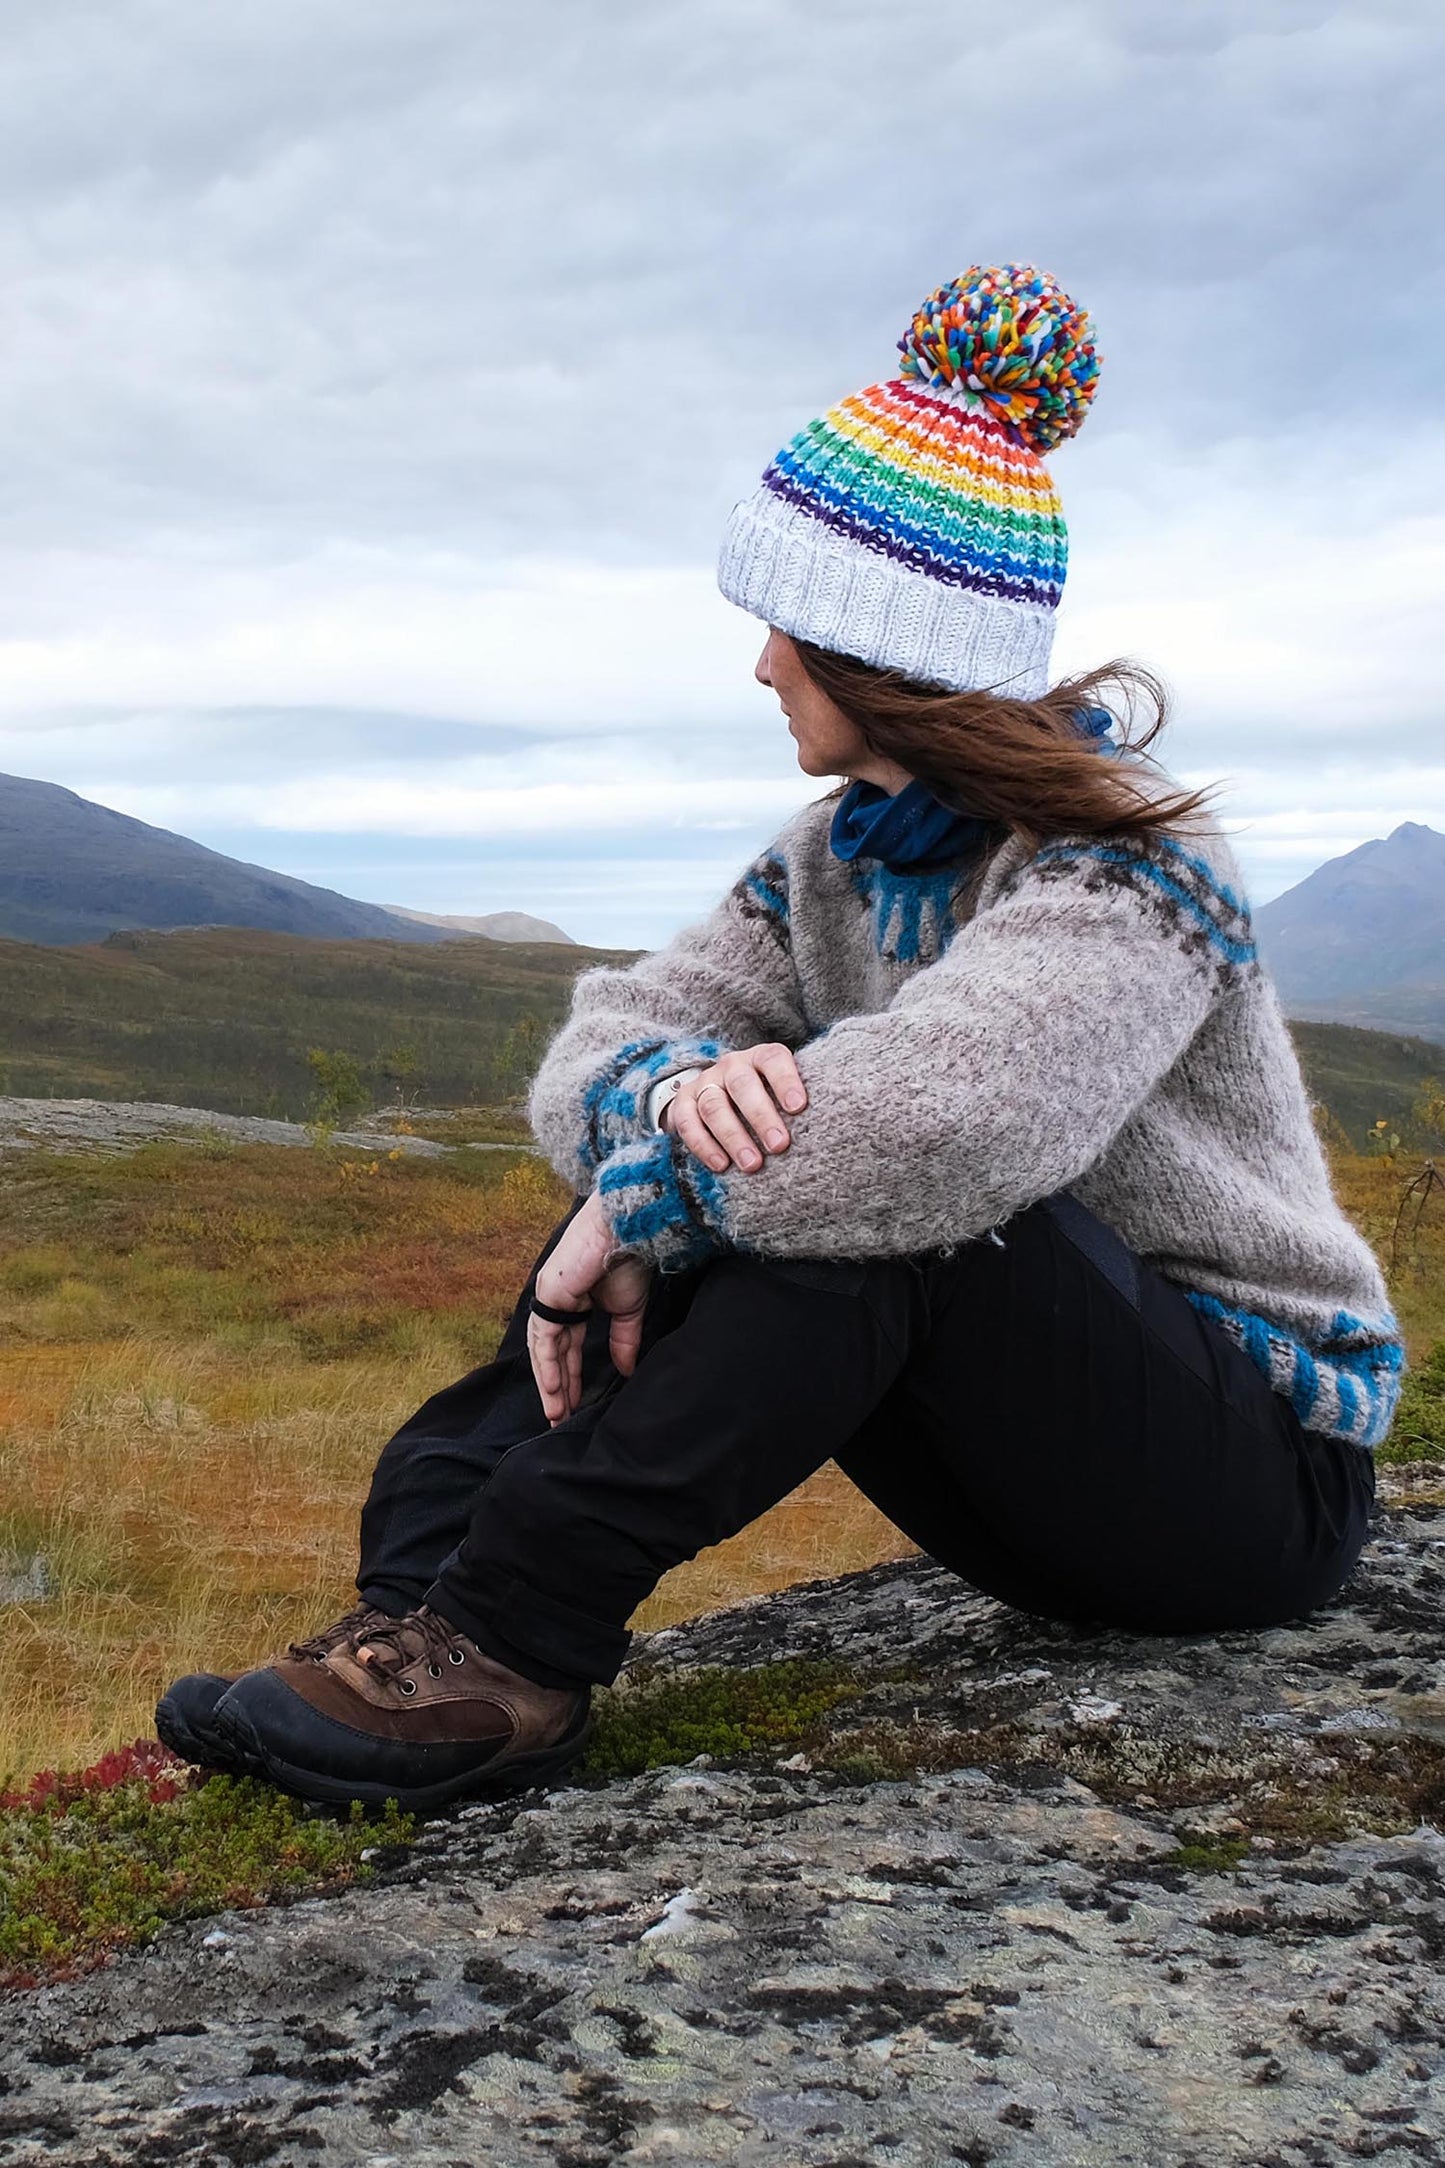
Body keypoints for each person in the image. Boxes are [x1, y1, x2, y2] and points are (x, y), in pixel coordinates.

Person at [157, 263, 1402, 1812]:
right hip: (1042, 1475)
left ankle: (513, 1641)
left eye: (784, 632)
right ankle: (423, 1624)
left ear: (877, 646)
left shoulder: (1127, 869)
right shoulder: (835, 855)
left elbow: (956, 1127)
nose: (759, 669)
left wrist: (650, 1190)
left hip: (1243, 1479)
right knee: (716, 1129)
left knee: (869, 1201)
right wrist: (664, 1102)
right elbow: (611, 1032)